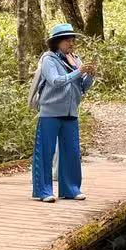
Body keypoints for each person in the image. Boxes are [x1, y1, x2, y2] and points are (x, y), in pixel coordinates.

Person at [31, 22, 96, 202]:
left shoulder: (75, 59)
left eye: (72, 39)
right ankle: (44, 191)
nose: (71, 43)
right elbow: (55, 81)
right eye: (67, 40)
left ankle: (71, 189)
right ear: (57, 42)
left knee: (71, 152)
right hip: (50, 112)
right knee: (46, 151)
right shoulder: (48, 59)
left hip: (71, 112)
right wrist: (78, 72)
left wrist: (90, 75)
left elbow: (82, 87)